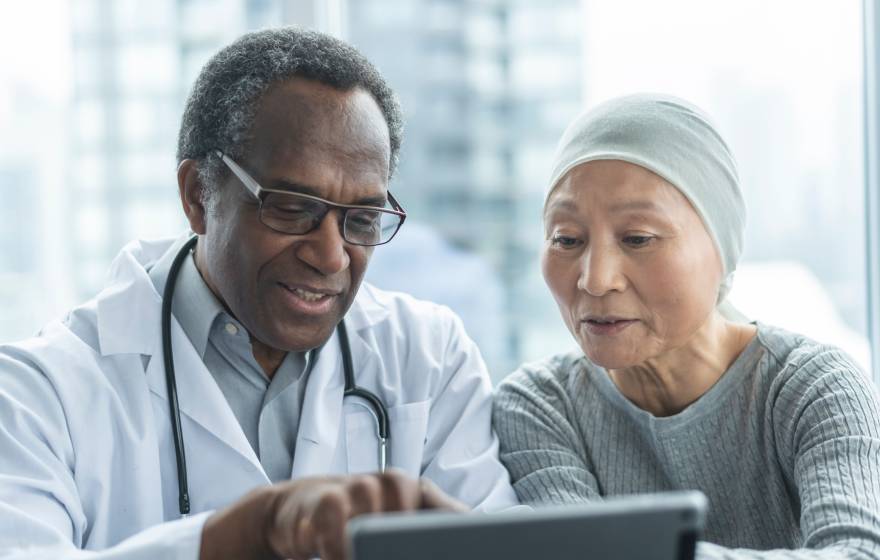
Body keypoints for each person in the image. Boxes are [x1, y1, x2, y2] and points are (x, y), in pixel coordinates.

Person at [0, 27, 517, 560]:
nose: (331, 256)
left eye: (362, 219)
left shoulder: (428, 358)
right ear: (198, 195)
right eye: (292, 209)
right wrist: (251, 532)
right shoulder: (36, 395)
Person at [492, 94, 880, 557]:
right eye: (567, 239)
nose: (595, 280)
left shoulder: (814, 388)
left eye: (638, 238)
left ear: (722, 249)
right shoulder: (540, 405)